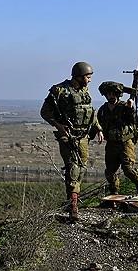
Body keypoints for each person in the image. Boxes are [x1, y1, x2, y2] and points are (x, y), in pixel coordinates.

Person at [40, 61, 104, 221]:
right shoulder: (59, 91)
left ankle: (72, 198)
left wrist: (98, 129)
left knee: (81, 167)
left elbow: (90, 112)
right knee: (73, 167)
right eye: (88, 77)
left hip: (83, 136)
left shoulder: (84, 91)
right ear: (79, 76)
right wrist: (58, 125)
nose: (89, 80)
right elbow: (45, 112)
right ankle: (74, 205)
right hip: (68, 135)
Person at [97, 81, 138, 196]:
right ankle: (114, 193)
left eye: (113, 94)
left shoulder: (124, 107)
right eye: (108, 94)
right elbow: (97, 123)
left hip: (125, 143)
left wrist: (130, 108)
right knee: (110, 172)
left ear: (118, 95)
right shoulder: (103, 110)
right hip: (111, 144)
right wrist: (98, 132)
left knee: (128, 169)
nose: (111, 96)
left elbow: (133, 121)